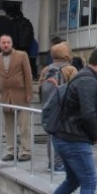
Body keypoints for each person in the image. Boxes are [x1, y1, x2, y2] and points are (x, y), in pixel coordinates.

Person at [38, 47, 97, 194]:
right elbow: (88, 113)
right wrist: (96, 134)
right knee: (89, 181)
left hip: (63, 136)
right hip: (73, 139)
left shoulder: (82, 75)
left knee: (72, 181)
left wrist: (95, 130)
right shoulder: (88, 81)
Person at [0, 34, 34, 162]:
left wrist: (29, 93)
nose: (6, 45)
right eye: (3, 42)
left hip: (21, 96)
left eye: (8, 42)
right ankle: (11, 150)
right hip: (5, 96)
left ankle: (25, 151)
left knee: (24, 126)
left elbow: (28, 75)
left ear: (12, 43)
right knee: (8, 126)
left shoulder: (22, 55)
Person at [38, 41, 79, 173]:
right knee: (64, 137)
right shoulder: (70, 69)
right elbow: (76, 89)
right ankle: (60, 164)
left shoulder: (46, 70)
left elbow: (40, 88)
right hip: (64, 109)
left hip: (49, 107)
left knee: (51, 136)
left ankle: (52, 163)